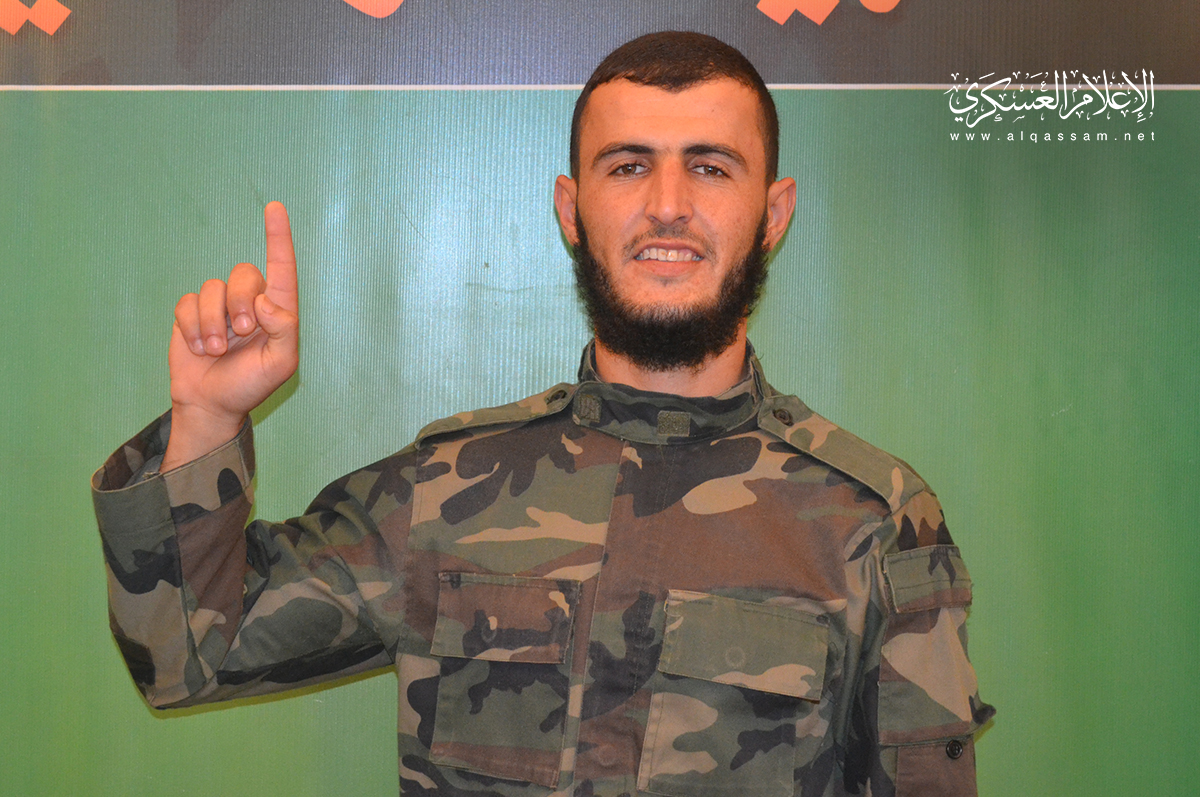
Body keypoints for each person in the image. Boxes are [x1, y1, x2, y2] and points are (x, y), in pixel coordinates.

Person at [92, 31, 992, 797]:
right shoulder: (446, 490)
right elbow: (185, 653)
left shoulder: (874, 522)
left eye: (710, 167)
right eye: (628, 165)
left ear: (774, 213)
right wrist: (206, 417)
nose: (667, 205)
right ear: (571, 209)